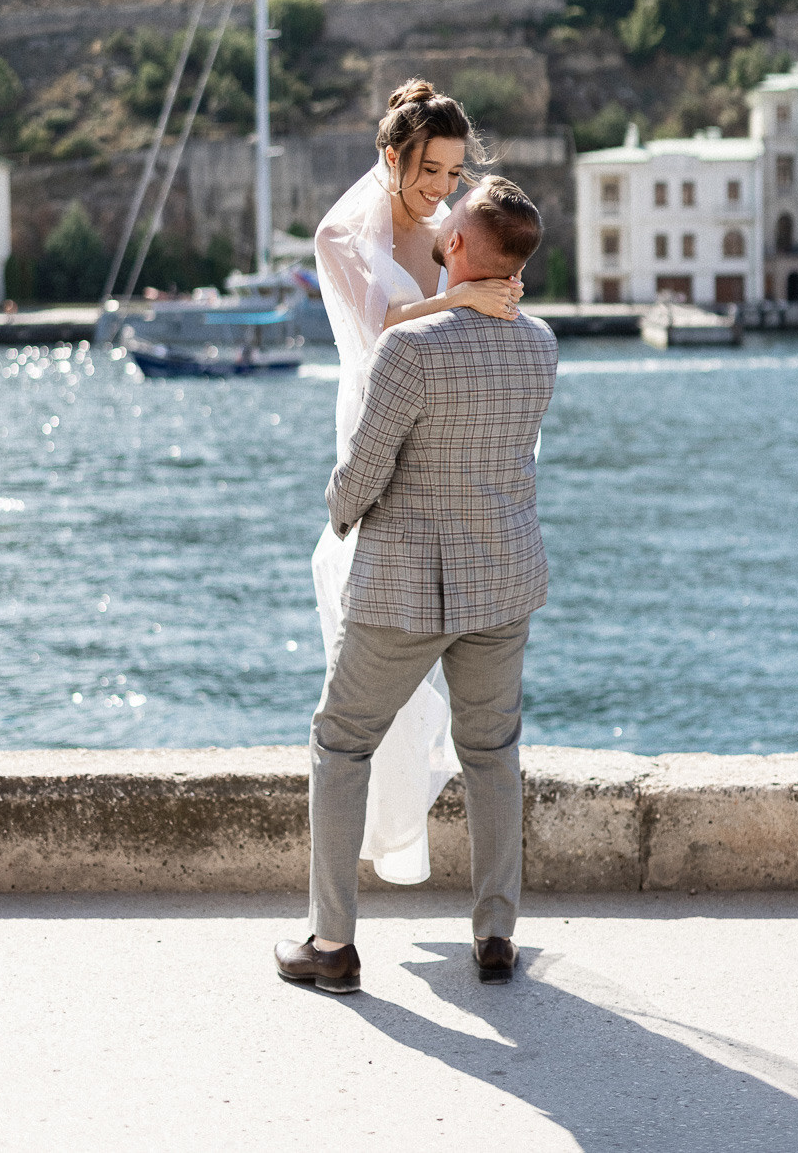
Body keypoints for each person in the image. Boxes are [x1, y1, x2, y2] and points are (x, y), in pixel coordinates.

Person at [276, 176, 558, 992]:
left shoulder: (409, 350)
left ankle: (331, 946)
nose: (444, 216)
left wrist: (336, 515)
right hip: (504, 580)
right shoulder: (540, 343)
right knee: (492, 753)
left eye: (456, 218)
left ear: (463, 248)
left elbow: (364, 472)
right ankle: (496, 934)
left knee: (340, 741)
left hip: (406, 588)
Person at [310, 80, 523, 887]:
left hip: (445, 439)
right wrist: (465, 295)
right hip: (371, 425)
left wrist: (494, 298)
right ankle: (377, 835)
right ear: (389, 156)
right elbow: (376, 335)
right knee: (368, 635)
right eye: (428, 170)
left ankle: (393, 835)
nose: (441, 190)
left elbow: (464, 318)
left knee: (441, 639)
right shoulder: (339, 233)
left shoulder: (447, 232)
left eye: (453, 174)